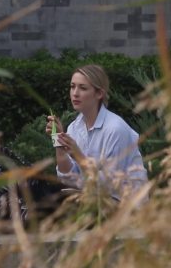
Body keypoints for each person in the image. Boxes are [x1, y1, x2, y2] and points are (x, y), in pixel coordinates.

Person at [45, 64, 148, 203]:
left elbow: (109, 186)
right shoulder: (74, 127)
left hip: (125, 209)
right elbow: (67, 180)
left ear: (99, 93)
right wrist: (58, 141)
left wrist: (79, 156)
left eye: (83, 88)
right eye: (72, 86)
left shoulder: (115, 129)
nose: (75, 93)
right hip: (93, 203)